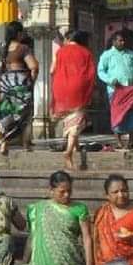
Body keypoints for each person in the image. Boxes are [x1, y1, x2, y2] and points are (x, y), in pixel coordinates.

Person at [0, 21, 39, 156]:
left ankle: (3, 140)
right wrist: (31, 82)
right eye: (21, 32)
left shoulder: (0, 48)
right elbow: (33, 66)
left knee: (5, 111)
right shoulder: (23, 48)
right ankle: (25, 143)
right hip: (19, 84)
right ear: (18, 33)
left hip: (3, 84)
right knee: (23, 114)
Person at [51, 30, 97, 170]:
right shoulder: (86, 52)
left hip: (61, 86)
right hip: (78, 87)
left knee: (70, 120)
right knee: (76, 122)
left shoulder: (60, 52)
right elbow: (92, 73)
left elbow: (52, 70)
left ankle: (76, 149)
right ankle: (69, 152)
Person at [97, 30, 133, 150]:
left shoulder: (130, 54)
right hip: (115, 90)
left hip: (130, 90)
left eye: (123, 40)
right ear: (114, 42)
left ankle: (131, 141)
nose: (122, 42)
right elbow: (101, 71)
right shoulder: (107, 55)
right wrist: (110, 80)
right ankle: (118, 141)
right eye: (120, 40)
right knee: (117, 114)